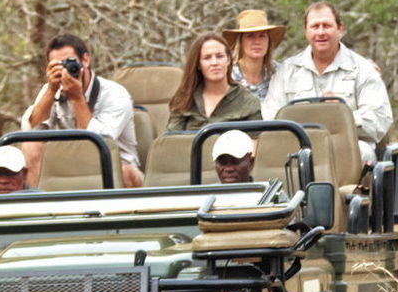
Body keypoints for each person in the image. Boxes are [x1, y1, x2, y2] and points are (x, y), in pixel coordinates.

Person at [263, 1, 392, 161]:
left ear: (340, 28)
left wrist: (340, 115)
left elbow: (379, 119)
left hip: (349, 147)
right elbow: (271, 118)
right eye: (315, 26)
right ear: (305, 31)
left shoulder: (363, 70)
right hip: (299, 149)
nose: (321, 32)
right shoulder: (287, 71)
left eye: (327, 26)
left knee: (358, 151)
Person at [20, 34, 143, 188]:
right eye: (58, 65)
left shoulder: (115, 94)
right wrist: (51, 90)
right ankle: (38, 206)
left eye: (69, 63)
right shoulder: (50, 89)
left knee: (127, 173)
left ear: (85, 60)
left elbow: (101, 143)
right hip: (68, 166)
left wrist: (77, 98)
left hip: (113, 165)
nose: (65, 70)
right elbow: (31, 130)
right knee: (31, 145)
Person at [167, 32, 263, 132]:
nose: (214, 63)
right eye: (207, 58)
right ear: (198, 64)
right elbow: (170, 141)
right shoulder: (184, 99)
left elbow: (255, 144)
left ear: (228, 60)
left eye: (220, 56)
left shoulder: (248, 102)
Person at [223, 9, 286, 100]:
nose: (257, 42)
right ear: (241, 41)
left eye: (262, 36)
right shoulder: (227, 74)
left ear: (268, 41)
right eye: (250, 36)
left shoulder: (279, 72)